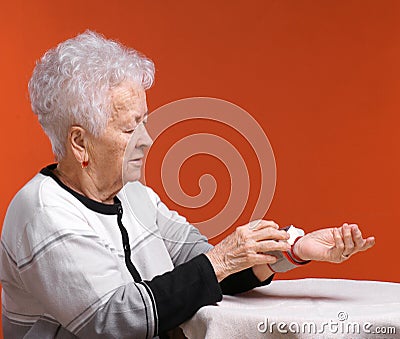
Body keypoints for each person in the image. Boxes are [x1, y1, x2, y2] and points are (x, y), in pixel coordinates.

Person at [0, 31, 375, 339]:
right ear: (80, 143)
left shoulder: (133, 195)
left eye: (144, 122)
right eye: (131, 128)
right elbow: (114, 322)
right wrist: (220, 261)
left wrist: (292, 249)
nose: (147, 140)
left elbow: (203, 269)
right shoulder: (45, 215)